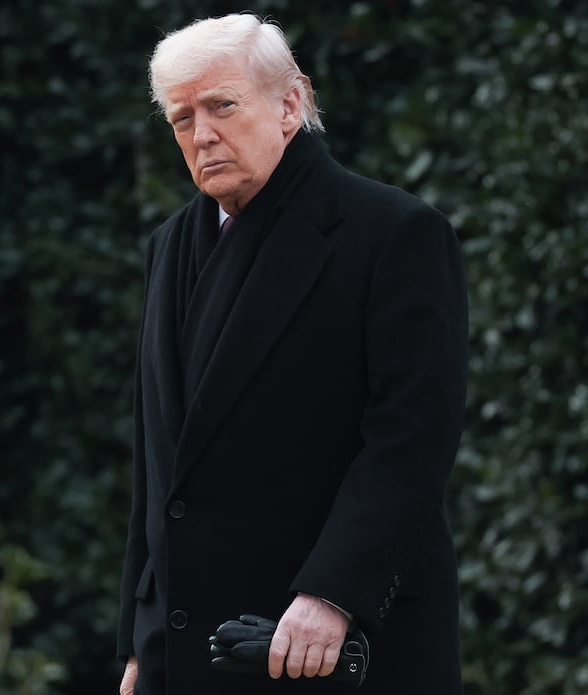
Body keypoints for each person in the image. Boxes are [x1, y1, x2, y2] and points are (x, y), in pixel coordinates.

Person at [117, 12, 468, 695]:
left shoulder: (395, 234)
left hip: (328, 644)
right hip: (186, 650)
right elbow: (157, 468)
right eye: (182, 118)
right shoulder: (168, 246)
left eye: (221, 105)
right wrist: (138, 637)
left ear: (290, 103)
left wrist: (334, 594)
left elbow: (412, 439)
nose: (203, 134)